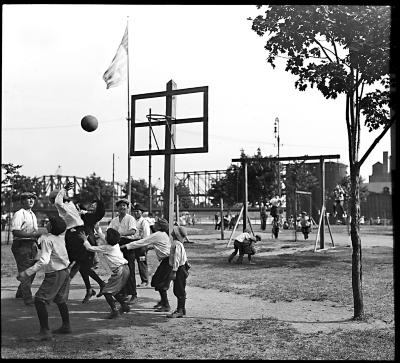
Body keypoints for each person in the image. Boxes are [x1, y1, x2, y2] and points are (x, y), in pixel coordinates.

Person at [17, 216, 72, 341]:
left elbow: (44, 260)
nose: (46, 224)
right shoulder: (60, 238)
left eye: (48, 223)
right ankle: (66, 326)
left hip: (55, 273)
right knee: (60, 299)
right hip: (65, 271)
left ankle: (45, 331)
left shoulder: (47, 239)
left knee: (39, 300)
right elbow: (51, 252)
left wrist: (26, 273)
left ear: (51, 226)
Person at [50, 184, 104, 304]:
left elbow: (59, 202)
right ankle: (92, 288)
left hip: (78, 236)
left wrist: (63, 190)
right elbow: (60, 203)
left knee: (76, 264)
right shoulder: (68, 206)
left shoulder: (67, 205)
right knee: (80, 265)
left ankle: (97, 285)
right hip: (74, 236)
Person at [120, 218, 172, 312]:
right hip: (167, 260)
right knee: (157, 281)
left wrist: (126, 246)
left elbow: (142, 242)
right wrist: (151, 247)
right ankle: (163, 302)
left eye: (156, 223)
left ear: (159, 226)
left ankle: (166, 305)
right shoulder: (162, 234)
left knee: (159, 283)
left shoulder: (157, 235)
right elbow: (158, 244)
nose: (154, 224)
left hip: (168, 261)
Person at [80, 228, 131, 319]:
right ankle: (124, 306)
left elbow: (90, 248)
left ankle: (115, 311)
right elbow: (104, 238)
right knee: (114, 291)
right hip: (126, 268)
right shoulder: (116, 245)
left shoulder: (107, 248)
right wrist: (98, 229)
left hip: (119, 271)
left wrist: (84, 240)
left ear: (109, 239)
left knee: (106, 291)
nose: (105, 236)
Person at [11, 192, 42, 306]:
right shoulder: (19, 214)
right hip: (21, 245)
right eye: (28, 198)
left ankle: (20, 293)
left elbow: (34, 232)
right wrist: (33, 236)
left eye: (33, 198)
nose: (31, 200)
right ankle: (28, 299)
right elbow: (16, 231)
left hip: (32, 244)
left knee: (32, 270)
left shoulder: (32, 214)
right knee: (25, 271)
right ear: (22, 201)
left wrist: (38, 242)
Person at [108, 198, 138, 304]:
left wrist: (120, 234)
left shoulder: (130, 218)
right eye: (120, 206)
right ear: (117, 208)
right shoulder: (114, 220)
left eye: (124, 205)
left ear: (127, 207)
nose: (122, 207)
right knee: (121, 270)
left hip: (128, 245)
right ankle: (124, 292)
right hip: (117, 246)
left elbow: (133, 231)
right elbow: (109, 230)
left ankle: (133, 294)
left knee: (130, 269)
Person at [167, 225, 190, 318]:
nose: (172, 232)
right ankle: (182, 309)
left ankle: (180, 310)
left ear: (176, 234)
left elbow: (177, 258)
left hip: (179, 269)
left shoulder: (176, 244)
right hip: (182, 268)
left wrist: (174, 271)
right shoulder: (178, 243)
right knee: (180, 289)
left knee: (178, 290)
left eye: (174, 231)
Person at [131, 203, 151, 288]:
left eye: (138, 211)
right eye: (134, 211)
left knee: (142, 262)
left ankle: (145, 280)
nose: (136, 213)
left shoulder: (144, 222)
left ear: (141, 212)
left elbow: (146, 235)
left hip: (142, 244)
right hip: (133, 243)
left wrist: (144, 246)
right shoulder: (133, 221)